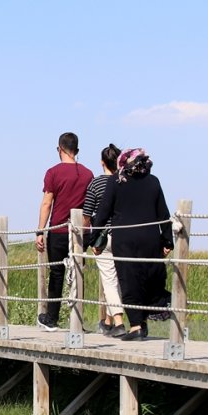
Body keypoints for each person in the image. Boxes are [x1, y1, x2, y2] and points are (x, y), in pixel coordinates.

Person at [91, 148, 173, 341]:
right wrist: (168, 240)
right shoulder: (153, 182)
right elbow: (163, 214)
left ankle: (136, 326)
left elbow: (103, 212)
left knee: (129, 281)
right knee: (147, 279)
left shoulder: (116, 182)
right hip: (150, 239)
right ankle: (143, 323)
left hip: (124, 240)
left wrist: (94, 239)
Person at [35, 132, 94, 331]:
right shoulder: (88, 174)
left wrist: (40, 231)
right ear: (76, 150)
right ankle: (77, 321)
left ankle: (51, 318)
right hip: (80, 232)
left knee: (57, 274)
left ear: (59, 148)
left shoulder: (53, 172)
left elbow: (46, 203)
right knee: (77, 274)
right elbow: (90, 206)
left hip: (59, 230)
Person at [82, 144, 126, 337]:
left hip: (104, 237)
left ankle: (118, 322)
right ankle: (107, 321)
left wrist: (89, 238)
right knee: (118, 280)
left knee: (109, 280)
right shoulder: (125, 182)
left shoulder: (96, 184)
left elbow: (87, 214)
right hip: (124, 235)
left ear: (102, 162)